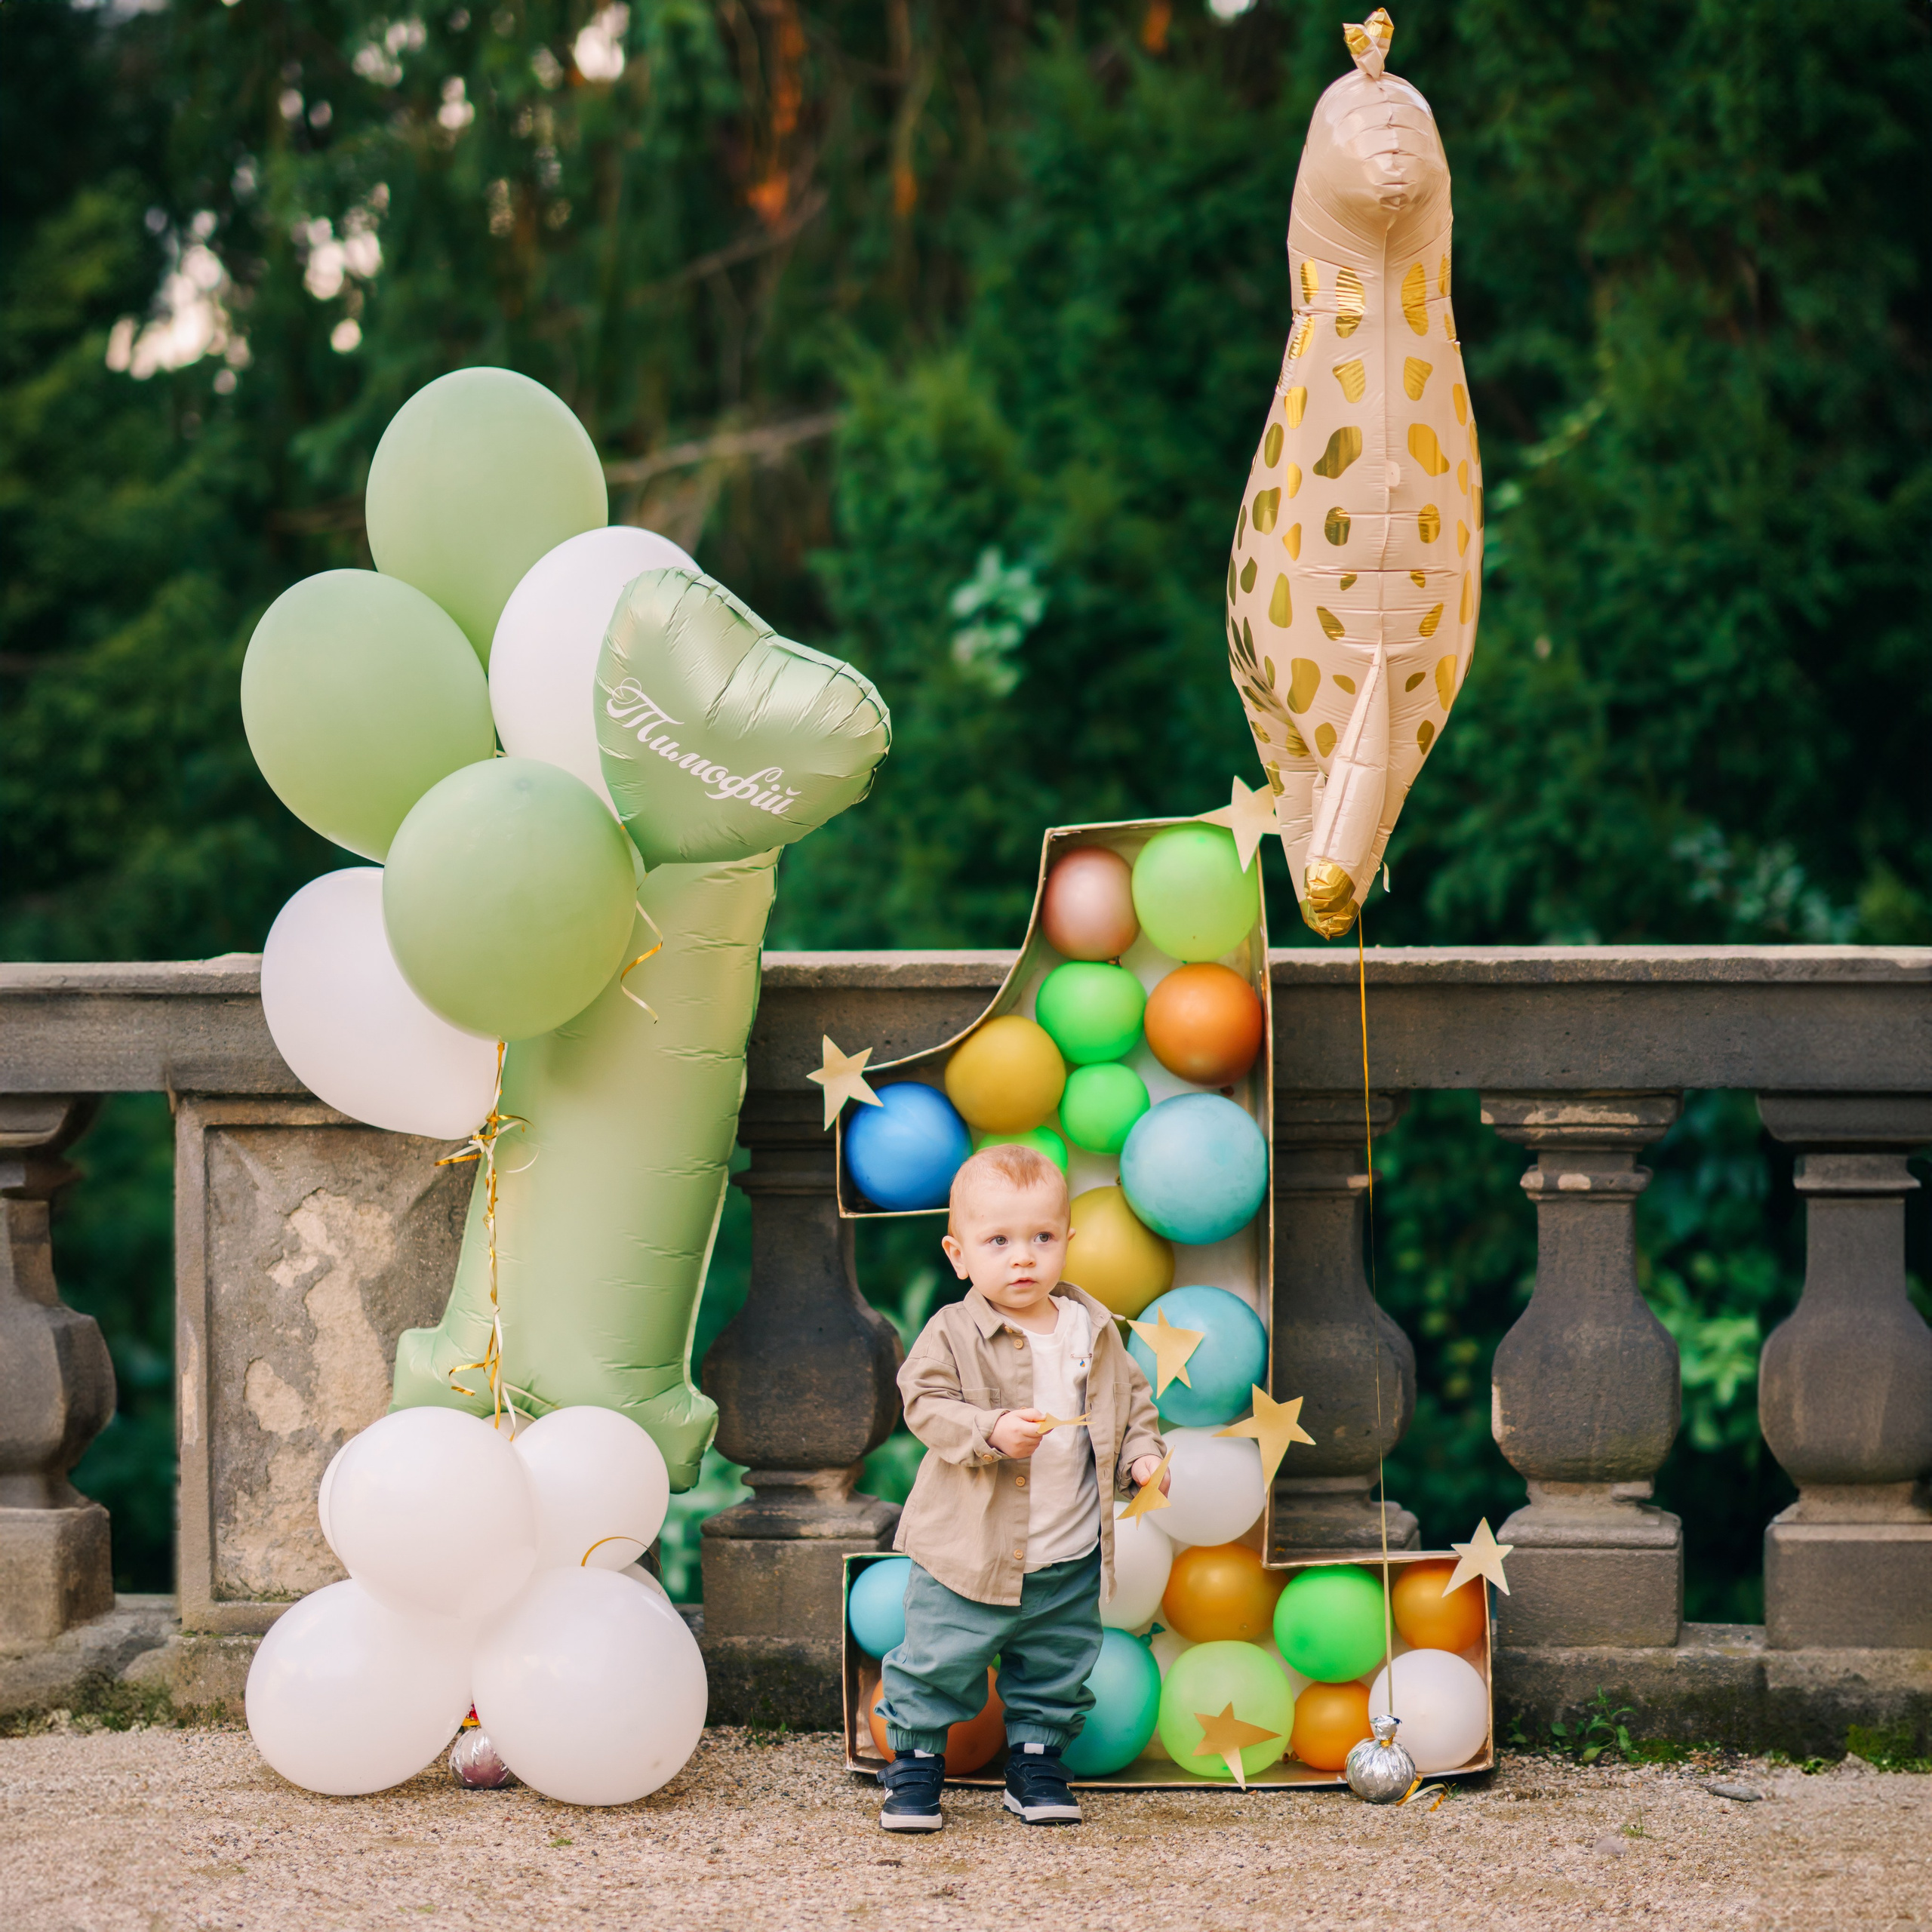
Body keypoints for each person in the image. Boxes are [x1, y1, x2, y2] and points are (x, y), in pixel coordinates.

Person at [875, 1140, 1168, 1832]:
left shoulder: (1093, 1330)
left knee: (1056, 1666)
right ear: (959, 1254)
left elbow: (1133, 1406)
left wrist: (1142, 1459)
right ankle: (915, 1770)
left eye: (1041, 1238)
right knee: (936, 1661)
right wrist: (989, 1429)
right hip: (966, 1555)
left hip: (1067, 1553)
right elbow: (922, 1402)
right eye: (998, 1240)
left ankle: (1035, 1765)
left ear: (1067, 1241)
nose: (1022, 1257)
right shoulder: (953, 1331)